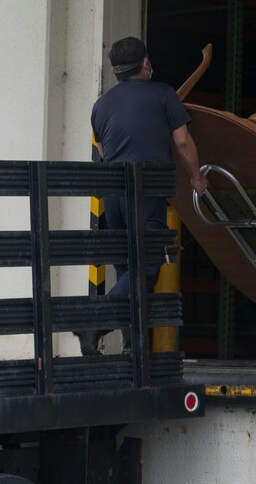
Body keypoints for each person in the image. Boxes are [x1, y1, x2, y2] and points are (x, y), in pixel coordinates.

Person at [79, 36, 208, 356]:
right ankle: (93, 322)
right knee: (147, 267)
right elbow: (182, 142)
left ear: (115, 70)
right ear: (146, 64)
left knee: (125, 269)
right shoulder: (164, 95)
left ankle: (131, 346)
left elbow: (102, 149)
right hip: (145, 190)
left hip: (113, 193)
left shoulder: (101, 105)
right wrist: (196, 177)